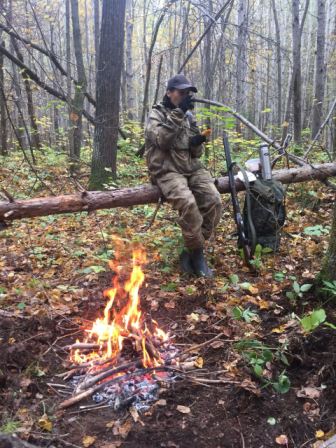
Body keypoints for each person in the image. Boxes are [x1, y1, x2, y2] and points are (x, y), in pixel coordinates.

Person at [144, 74, 222, 277]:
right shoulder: (156, 115)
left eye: (187, 93)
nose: (185, 96)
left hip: (191, 168)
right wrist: (179, 112)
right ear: (169, 93)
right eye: (181, 92)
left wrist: (196, 143)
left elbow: (196, 154)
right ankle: (198, 256)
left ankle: (191, 249)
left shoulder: (189, 117)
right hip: (167, 170)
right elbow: (163, 141)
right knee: (188, 205)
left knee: (214, 201)